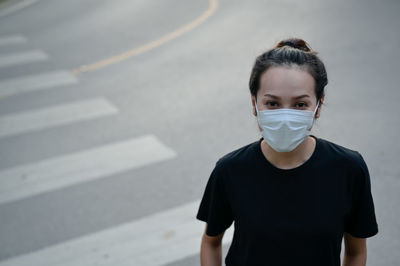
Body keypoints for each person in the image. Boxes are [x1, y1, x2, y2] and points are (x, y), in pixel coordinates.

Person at [196, 38, 378, 266]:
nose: (285, 116)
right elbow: (211, 242)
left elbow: (356, 252)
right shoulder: (230, 170)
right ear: (254, 104)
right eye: (272, 104)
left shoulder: (349, 169)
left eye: (300, 105)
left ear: (318, 106)